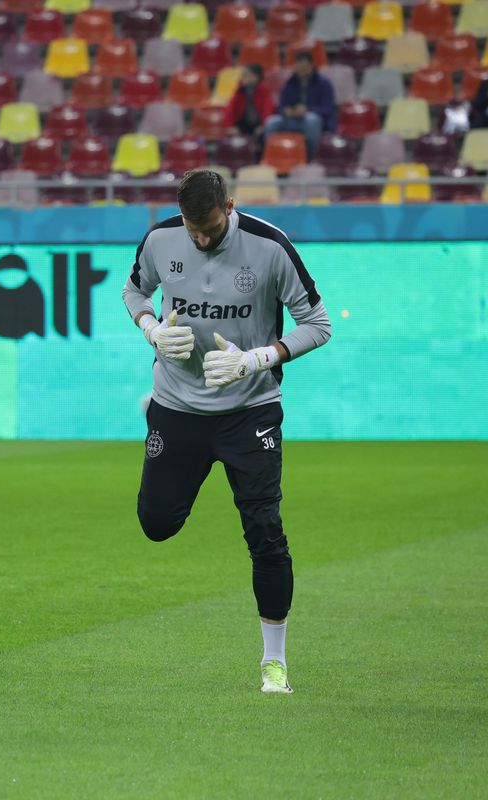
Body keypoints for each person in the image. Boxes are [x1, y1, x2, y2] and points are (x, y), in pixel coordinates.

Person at [121, 169, 331, 695]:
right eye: (192, 228)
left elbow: (319, 324)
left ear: (230, 207)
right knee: (155, 524)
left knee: (265, 531)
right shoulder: (161, 238)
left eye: (209, 227)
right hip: (176, 405)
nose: (199, 239)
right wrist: (150, 328)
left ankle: (274, 662)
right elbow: (133, 290)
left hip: (250, 410)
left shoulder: (271, 247)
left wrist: (261, 358)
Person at [263, 52, 335, 158]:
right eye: (298, 66)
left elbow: (328, 108)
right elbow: (281, 106)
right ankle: (273, 157)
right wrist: (287, 111)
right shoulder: (289, 83)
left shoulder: (324, 83)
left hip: (314, 120)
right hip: (291, 119)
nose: (301, 69)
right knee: (271, 122)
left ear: (311, 66)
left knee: (312, 120)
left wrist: (307, 110)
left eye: (304, 66)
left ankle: (310, 157)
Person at [223, 64, 275, 139]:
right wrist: (230, 126)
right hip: (244, 125)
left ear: (255, 77)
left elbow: (268, 111)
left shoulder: (265, 91)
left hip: (259, 125)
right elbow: (230, 110)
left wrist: (263, 127)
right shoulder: (239, 91)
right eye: (242, 75)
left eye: (246, 75)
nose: (242, 78)